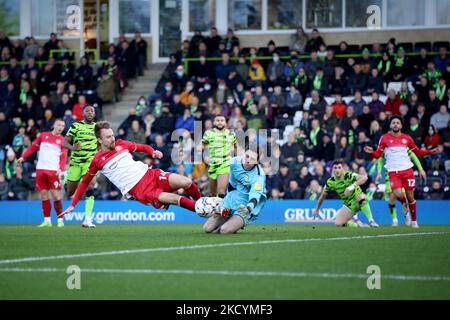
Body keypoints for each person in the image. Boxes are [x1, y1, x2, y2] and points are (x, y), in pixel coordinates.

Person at [59, 121, 203, 218]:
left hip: (151, 174)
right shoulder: (97, 160)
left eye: (112, 135)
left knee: (187, 182)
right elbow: (84, 183)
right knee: (175, 198)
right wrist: (72, 205)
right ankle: (204, 210)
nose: (112, 139)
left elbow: (142, 147)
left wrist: (153, 151)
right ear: (100, 140)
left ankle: (204, 204)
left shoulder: (121, 144)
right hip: (141, 190)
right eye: (108, 137)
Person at [364, 116, 441, 228]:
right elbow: (378, 155)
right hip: (393, 172)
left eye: (397, 123)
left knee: (411, 197)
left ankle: (414, 221)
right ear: (390, 125)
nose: (395, 124)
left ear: (401, 125)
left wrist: (430, 152)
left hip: (407, 171)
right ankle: (402, 208)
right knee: (397, 193)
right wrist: (372, 152)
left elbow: (418, 152)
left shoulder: (407, 138)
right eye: (393, 123)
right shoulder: (384, 138)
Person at [17, 119, 68, 227]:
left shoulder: (63, 141)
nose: (60, 127)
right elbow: (32, 148)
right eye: (59, 124)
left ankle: (60, 220)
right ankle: (47, 221)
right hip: (40, 170)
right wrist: (22, 157)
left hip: (53, 171)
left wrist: (61, 168)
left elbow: (63, 157)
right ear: (54, 125)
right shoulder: (43, 135)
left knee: (56, 195)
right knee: (44, 196)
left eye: (63, 126)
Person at [203, 149, 267, 234]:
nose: (248, 161)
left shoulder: (259, 175)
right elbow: (224, 176)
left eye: (252, 159)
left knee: (224, 230)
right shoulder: (234, 162)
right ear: (243, 154)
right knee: (207, 228)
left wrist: (248, 208)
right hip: (231, 199)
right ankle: (229, 218)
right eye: (247, 156)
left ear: (257, 161)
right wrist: (221, 199)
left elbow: (255, 195)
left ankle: (235, 222)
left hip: (245, 205)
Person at [314, 160, 379, 228]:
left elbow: (364, 178)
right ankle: (358, 225)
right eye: (335, 168)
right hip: (349, 204)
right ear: (332, 169)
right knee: (338, 224)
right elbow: (322, 196)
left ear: (343, 168)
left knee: (361, 197)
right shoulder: (330, 182)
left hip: (357, 199)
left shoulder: (349, 175)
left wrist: (352, 186)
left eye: (339, 167)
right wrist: (317, 209)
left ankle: (371, 221)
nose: (337, 170)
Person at [62, 105, 97, 228]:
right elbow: (64, 142)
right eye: (87, 110)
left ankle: (88, 219)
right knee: (69, 192)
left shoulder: (97, 128)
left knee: (91, 185)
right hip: (76, 163)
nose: (90, 112)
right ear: (83, 113)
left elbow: (102, 143)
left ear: (94, 114)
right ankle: (66, 179)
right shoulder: (75, 126)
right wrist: (73, 147)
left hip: (90, 162)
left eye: (92, 111)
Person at [376, 147, 427, 226]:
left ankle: (406, 215)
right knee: (391, 199)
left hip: (403, 175)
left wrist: (420, 169)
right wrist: (379, 172)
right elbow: (380, 159)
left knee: (401, 196)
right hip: (390, 176)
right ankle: (395, 220)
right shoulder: (386, 148)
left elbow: (413, 156)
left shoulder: (403, 146)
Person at [200, 115, 237, 198]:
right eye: (218, 120)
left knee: (221, 192)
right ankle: (216, 208)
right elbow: (203, 146)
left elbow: (236, 147)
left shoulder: (231, 134)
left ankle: (223, 209)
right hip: (212, 165)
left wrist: (237, 160)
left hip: (225, 164)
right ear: (214, 122)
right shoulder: (208, 133)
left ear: (225, 122)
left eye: (222, 120)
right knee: (213, 193)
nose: (220, 122)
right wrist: (205, 156)